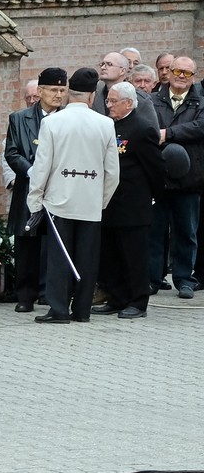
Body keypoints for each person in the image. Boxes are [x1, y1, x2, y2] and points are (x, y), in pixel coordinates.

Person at [29, 67, 119, 324]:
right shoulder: (106, 124)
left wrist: (35, 200)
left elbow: (42, 166)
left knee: (59, 259)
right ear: (92, 96)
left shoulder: (51, 122)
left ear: (69, 93)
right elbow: (113, 172)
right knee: (87, 260)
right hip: (90, 203)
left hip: (59, 201)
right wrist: (101, 201)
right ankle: (82, 311)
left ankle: (58, 310)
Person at [99, 82, 159, 320]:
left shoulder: (142, 129)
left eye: (114, 101)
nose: (109, 105)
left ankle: (138, 301)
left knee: (134, 257)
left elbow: (155, 168)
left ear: (128, 103)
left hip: (133, 204)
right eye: (108, 100)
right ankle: (117, 298)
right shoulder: (108, 126)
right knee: (112, 255)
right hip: (110, 203)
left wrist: (152, 198)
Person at [4, 71, 53, 313]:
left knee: (51, 242)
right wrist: (32, 171)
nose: (57, 95)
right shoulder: (19, 118)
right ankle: (25, 295)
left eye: (61, 90)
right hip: (28, 185)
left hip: (56, 188)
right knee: (27, 242)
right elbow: (12, 152)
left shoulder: (65, 117)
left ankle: (49, 291)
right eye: (52, 90)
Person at [155, 55, 202, 299]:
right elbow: (148, 128)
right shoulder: (153, 101)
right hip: (158, 178)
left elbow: (199, 128)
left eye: (187, 73)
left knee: (186, 232)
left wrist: (168, 133)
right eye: (177, 71)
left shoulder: (200, 102)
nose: (181, 76)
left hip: (189, 178)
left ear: (194, 76)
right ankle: (152, 278)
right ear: (169, 72)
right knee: (155, 231)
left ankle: (184, 279)